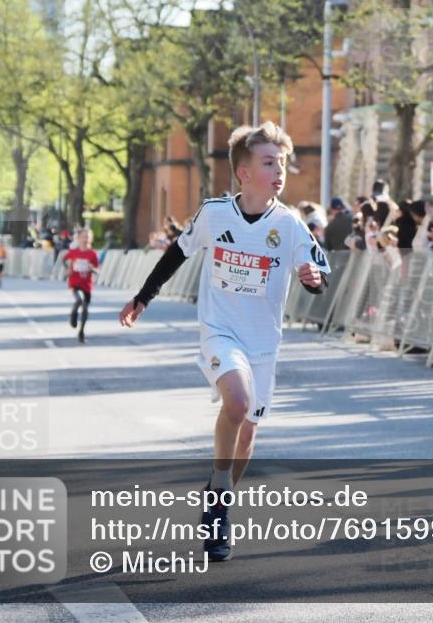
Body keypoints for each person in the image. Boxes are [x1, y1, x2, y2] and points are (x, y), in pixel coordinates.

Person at [118, 121, 329, 563]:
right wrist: (143, 297)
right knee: (236, 401)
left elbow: (316, 273)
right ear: (244, 173)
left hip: (263, 341)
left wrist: (313, 280)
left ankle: (218, 498)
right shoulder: (215, 213)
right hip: (220, 330)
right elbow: (178, 252)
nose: (279, 171)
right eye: (269, 162)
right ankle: (219, 506)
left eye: (283, 163)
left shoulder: (289, 225)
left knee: (247, 437)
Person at [63, 229, 99, 344]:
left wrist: (92, 269)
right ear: (78, 239)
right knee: (78, 300)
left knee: (85, 307)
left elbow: (97, 269)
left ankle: (81, 331)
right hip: (74, 281)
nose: (85, 239)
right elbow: (64, 259)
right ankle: (73, 314)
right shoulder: (74, 252)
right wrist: (68, 269)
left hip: (86, 283)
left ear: (91, 239)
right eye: (83, 237)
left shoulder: (92, 253)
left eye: (87, 237)